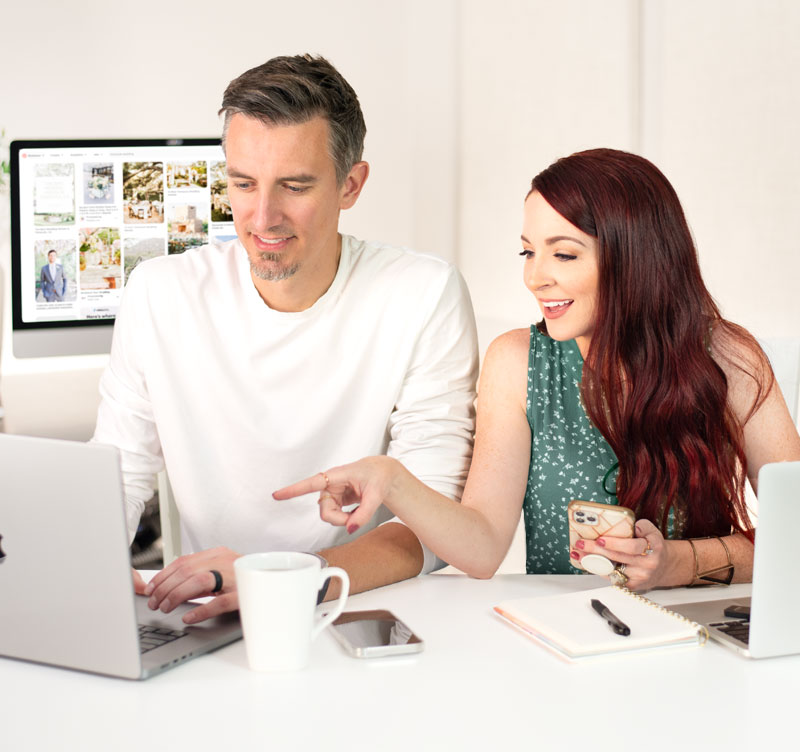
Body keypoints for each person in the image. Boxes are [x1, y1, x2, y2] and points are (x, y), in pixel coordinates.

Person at [275, 148, 800, 591]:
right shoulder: (517, 362)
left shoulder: (730, 358)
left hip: (699, 632)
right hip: (566, 634)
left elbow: (794, 535)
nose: (536, 277)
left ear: (636, 258)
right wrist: (390, 480)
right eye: (528, 252)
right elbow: (481, 547)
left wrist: (676, 564)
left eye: (564, 255)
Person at [92, 54, 478, 622]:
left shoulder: (422, 294)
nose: (262, 217)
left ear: (351, 184)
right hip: (210, 617)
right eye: (243, 184)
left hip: (361, 610)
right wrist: (84, 582)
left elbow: (432, 524)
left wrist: (284, 584)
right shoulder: (160, 292)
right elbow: (115, 478)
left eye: (294, 186)